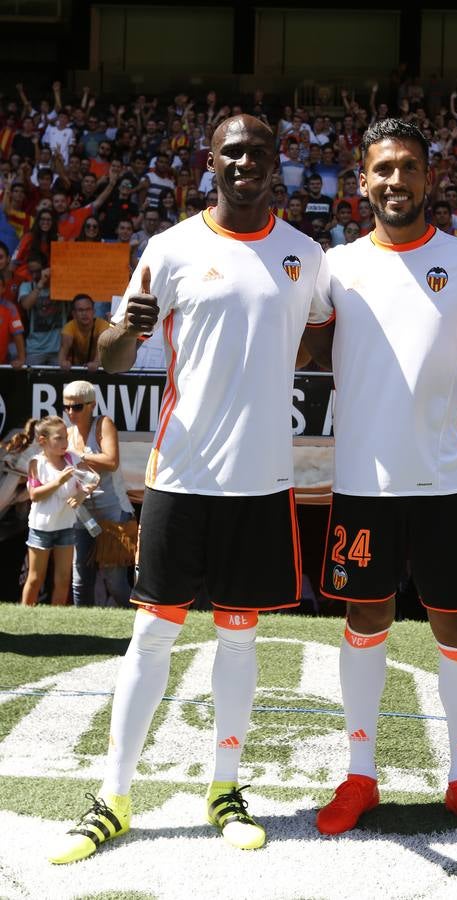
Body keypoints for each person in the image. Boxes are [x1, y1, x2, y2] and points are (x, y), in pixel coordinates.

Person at [47, 113, 332, 865]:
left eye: (257, 152)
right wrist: (124, 332)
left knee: (240, 638)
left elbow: (329, 339)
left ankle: (225, 787)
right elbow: (109, 357)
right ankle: (112, 796)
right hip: (184, 473)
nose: (244, 162)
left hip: (263, 480)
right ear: (209, 162)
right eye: (230, 152)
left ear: (277, 163)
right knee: (153, 633)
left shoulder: (306, 257)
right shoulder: (170, 248)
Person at [304, 119, 457, 845]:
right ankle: (359, 776)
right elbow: (299, 344)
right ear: (360, 181)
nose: (394, 181)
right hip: (363, 485)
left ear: (428, 178)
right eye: (381, 170)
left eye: (407, 168)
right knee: (364, 621)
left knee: (454, 626)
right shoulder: (334, 266)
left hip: (443, 485)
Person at [62, 380, 134, 607]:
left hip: (113, 513)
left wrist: (79, 455)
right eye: (67, 407)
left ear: (92, 405)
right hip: (82, 515)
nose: (71, 412)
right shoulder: (68, 433)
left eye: (77, 407)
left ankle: (133, 629)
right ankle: (79, 635)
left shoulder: (103, 424)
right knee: (80, 579)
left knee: (116, 583)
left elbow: (111, 461)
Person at [20, 416, 89, 607]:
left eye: (66, 437)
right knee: (35, 579)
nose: (65, 443)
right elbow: (34, 495)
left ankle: (55, 624)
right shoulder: (36, 462)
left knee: (63, 580)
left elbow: (92, 479)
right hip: (41, 529)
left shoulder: (73, 458)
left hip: (67, 526)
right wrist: (59, 481)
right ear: (43, 441)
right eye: (59, 438)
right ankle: (24, 619)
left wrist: (82, 494)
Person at [58, 293, 110, 370]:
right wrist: (63, 363)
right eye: (80, 310)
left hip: (98, 368)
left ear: (94, 311)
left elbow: (103, 349)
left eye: (88, 309)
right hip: (75, 368)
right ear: (74, 314)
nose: (84, 313)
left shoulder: (103, 326)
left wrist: (96, 362)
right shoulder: (68, 328)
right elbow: (62, 354)